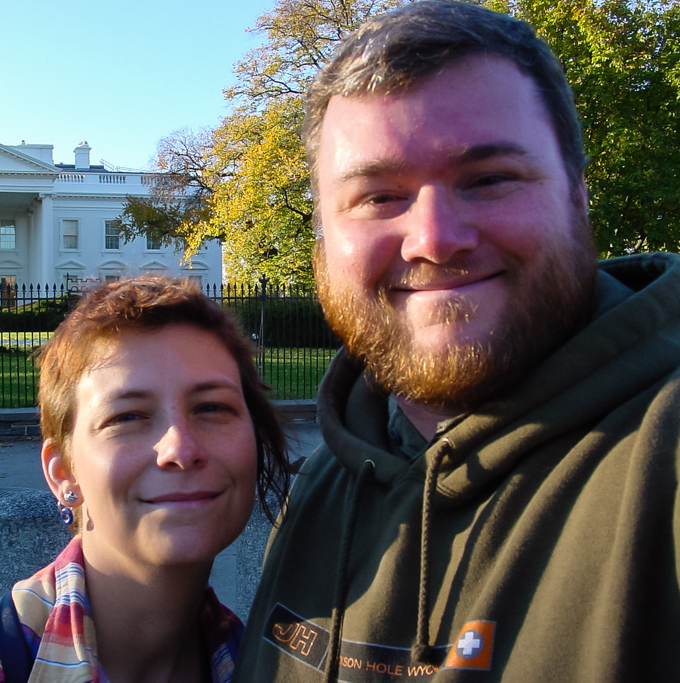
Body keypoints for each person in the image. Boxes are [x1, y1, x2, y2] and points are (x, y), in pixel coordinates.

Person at [233, 1, 680, 681]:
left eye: (490, 179)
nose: (435, 239)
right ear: (323, 237)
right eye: (379, 197)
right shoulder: (324, 487)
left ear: (578, 196)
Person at [0, 276, 290, 683]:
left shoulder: (280, 664)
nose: (181, 449)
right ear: (64, 472)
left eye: (211, 408)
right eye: (127, 417)